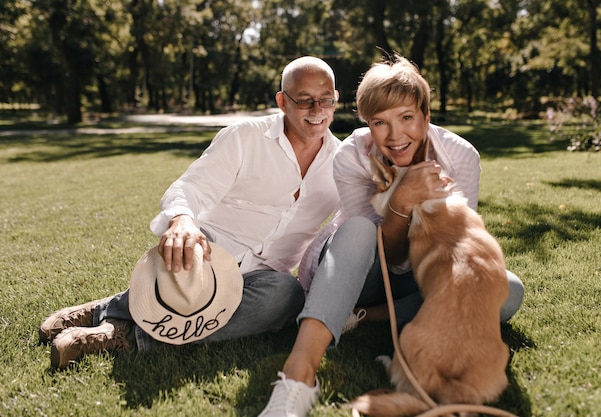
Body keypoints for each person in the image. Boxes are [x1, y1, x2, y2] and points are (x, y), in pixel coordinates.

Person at [257, 52, 525, 417]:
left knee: (507, 290)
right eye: (380, 123)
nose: (396, 136)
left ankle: (365, 316)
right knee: (359, 227)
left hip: (420, 277)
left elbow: (457, 251)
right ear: (367, 124)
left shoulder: (461, 156)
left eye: (407, 118)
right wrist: (400, 203)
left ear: (426, 116)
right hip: (359, 267)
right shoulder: (352, 155)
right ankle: (298, 376)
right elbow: (388, 257)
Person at [38, 56, 342, 368]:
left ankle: (125, 331)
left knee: (287, 295)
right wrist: (182, 220)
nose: (317, 110)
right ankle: (112, 311)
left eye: (326, 100)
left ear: (336, 100)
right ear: (282, 101)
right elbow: (190, 187)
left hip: (261, 280)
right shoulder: (244, 137)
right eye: (304, 101)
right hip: (208, 252)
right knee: (190, 250)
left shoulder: (342, 163)